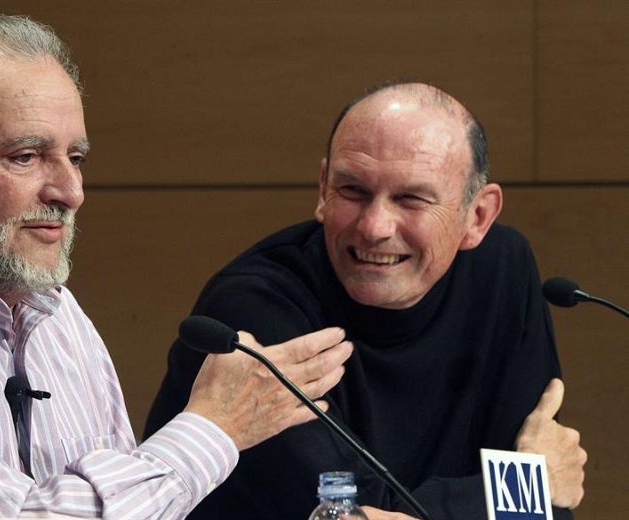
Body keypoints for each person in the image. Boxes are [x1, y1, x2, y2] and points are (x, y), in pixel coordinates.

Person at [0, 15, 354, 519]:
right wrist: (213, 426)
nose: (71, 192)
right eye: (26, 156)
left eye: (75, 158)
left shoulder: (54, 309)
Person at [145, 82, 587, 519]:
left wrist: (529, 493)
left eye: (411, 198)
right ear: (322, 189)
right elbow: (347, 515)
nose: (375, 226)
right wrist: (527, 485)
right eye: (353, 191)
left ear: (478, 216)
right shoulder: (250, 313)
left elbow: (540, 510)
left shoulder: (501, 270)